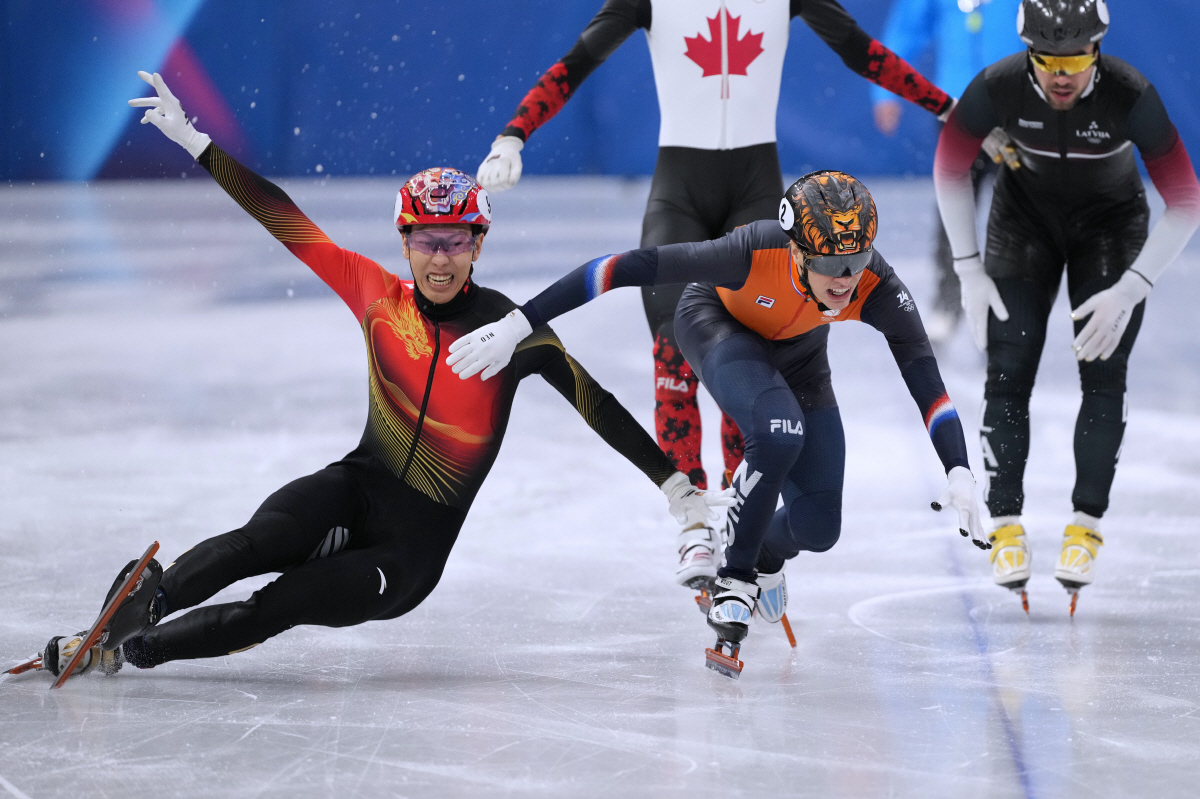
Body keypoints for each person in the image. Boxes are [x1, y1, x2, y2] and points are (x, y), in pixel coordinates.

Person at [35, 71, 734, 679]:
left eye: (455, 241)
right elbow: (284, 218)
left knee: (280, 601)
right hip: (355, 484)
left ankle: (129, 652)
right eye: (427, 241)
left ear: (477, 244)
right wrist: (198, 144)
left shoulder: (510, 331)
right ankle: (132, 612)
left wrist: (677, 487)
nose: (440, 258)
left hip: (408, 553)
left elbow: (596, 403)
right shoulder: (374, 295)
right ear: (404, 241)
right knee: (255, 542)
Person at [475, 0, 957, 591]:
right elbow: (579, 61)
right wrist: (514, 132)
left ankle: (741, 517)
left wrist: (949, 108)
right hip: (681, 190)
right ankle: (692, 520)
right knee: (672, 347)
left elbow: (864, 53)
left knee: (759, 345)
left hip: (756, 189)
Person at [445, 171, 989, 662]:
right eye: (828, 264)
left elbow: (924, 375)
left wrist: (958, 467)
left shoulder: (875, 284)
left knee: (820, 527)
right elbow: (616, 270)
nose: (844, 279)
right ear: (797, 251)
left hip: (801, 357)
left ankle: (767, 548)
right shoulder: (749, 252)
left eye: (856, 261)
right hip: (716, 328)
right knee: (779, 433)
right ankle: (736, 580)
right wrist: (519, 323)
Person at [933, 0, 1200, 613]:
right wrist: (967, 270)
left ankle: (1086, 525)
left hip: (1110, 231)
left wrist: (1134, 285)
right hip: (1022, 227)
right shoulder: (998, 85)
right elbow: (950, 169)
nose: (1060, 74)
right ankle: (1005, 525)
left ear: (1098, 52)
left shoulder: (1131, 94)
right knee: (1008, 370)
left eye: (1075, 61)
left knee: (1104, 375)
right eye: (1047, 60)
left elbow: (1185, 199)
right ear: (1027, 52)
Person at [871, 0, 1023, 342]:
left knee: (1019, 213)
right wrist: (885, 90)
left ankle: (1011, 307)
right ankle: (949, 300)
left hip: (1021, 108)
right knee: (955, 207)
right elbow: (907, 28)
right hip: (959, 108)